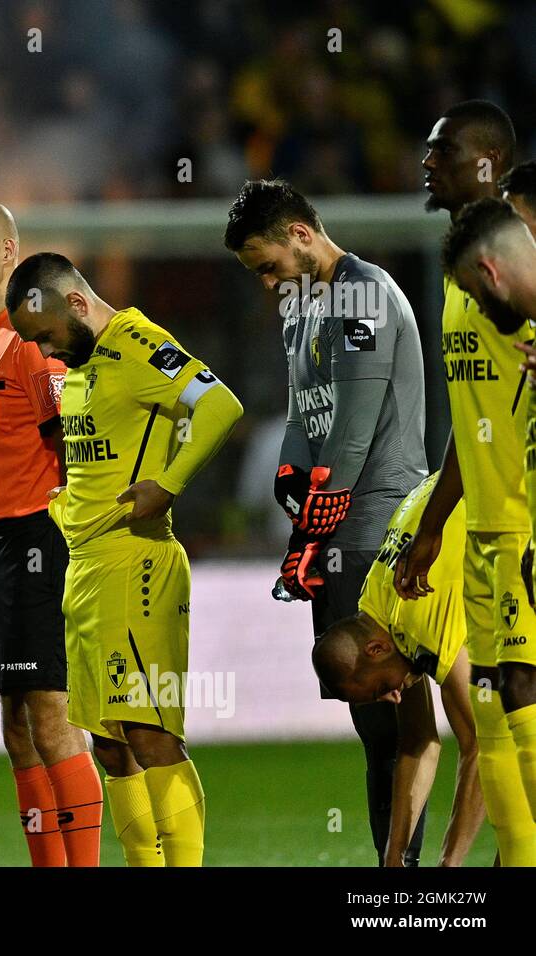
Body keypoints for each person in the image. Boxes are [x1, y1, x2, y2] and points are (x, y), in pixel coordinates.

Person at [6, 251, 244, 866]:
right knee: (110, 746)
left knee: (151, 733)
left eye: (49, 337)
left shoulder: (137, 341)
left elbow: (219, 404)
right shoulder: (81, 365)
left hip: (137, 564)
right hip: (85, 569)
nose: (48, 354)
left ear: (78, 305)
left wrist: (168, 483)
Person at [224, 178, 431, 864]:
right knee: (372, 719)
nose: (266, 281)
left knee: (401, 715)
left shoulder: (364, 293)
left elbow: (356, 420)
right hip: (336, 524)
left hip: (379, 522)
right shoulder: (303, 310)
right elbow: (303, 411)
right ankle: (393, 864)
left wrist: (320, 516)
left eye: (268, 264)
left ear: (302, 236)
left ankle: (407, 874)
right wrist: (291, 474)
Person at [0, 200, 104, 866]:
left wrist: (69, 530)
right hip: (10, 544)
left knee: (53, 718)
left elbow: (76, 442)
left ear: (10, 254)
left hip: (44, 538)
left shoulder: (34, 342)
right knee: (17, 727)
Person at [397, 102, 536, 865]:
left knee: (520, 687)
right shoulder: (462, 271)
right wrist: (433, 525)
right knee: (491, 700)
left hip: (526, 522)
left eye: (439, 150)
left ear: (486, 160)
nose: (426, 164)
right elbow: (470, 418)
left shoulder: (520, 246)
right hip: (482, 524)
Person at [312, 473, 489, 866]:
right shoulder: (377, 605)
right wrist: (395, 858)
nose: (393, 696)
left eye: (380, 689)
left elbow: (479, 745)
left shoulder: (419, 617)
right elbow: (417, 741)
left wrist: (449, 863)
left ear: (374, 650)